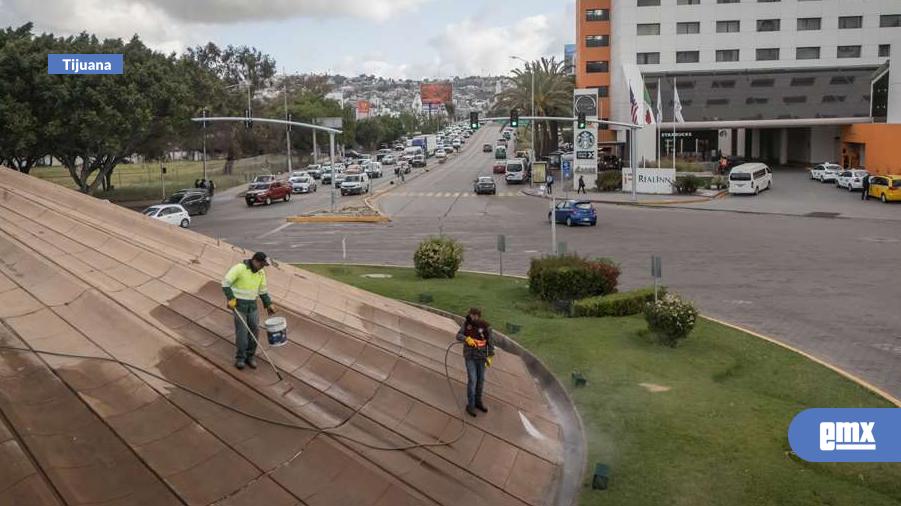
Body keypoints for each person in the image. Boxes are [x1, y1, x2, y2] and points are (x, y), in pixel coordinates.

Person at [222, 252, 277, 370]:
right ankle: (240, 358)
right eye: (262, 265)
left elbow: (262, 291)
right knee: (242, 332)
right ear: (255, 261)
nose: (262, 267)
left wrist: (268, 304)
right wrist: (231, 298)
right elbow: (225, 284)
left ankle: (250, 356)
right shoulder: (239, 268)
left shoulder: (261, 272)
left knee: (255, 330)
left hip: (252, 306)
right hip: (239, 305)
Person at [455, 307, 495, 417]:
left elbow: (490, 344)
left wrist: (490, 357)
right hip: (470, 357)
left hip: (481, 358)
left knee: (480, 380)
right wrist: (467, 339)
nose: (471, 317)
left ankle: (478, 402)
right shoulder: (466, 325)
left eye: (473, 315)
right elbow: (458, 335)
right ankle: (471, 405)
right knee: (473, 380)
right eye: (470, 315)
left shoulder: (486, 327)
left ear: (478, 316)